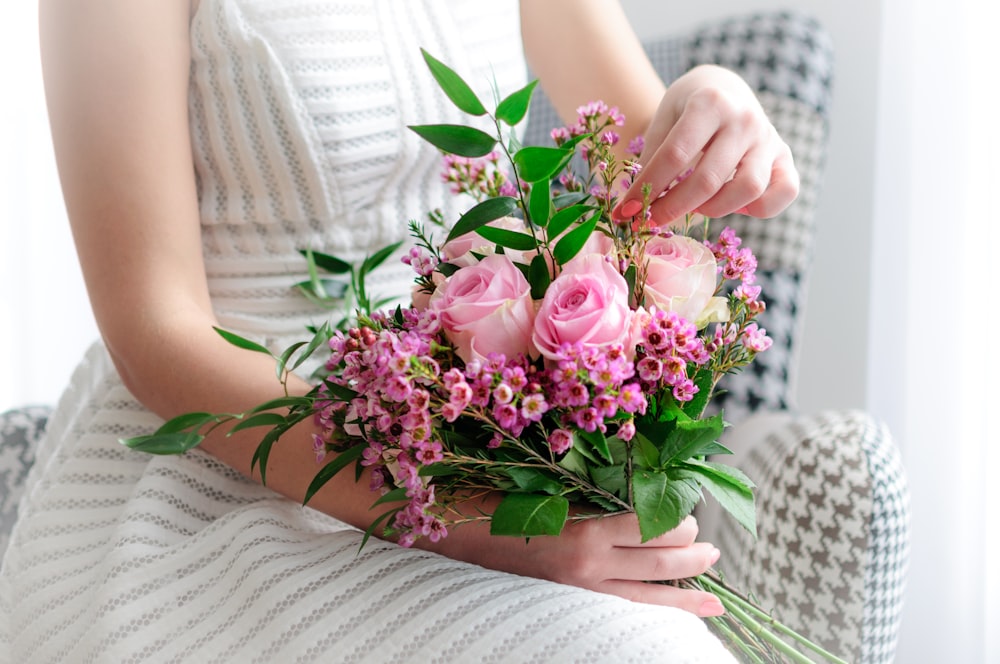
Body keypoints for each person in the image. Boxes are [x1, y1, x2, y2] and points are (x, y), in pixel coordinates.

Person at [0, 0, 797, 661]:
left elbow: (648, 179)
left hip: (466, 429)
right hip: (218, 480)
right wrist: (463, 520)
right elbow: (156, 333)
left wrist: (711, 99)